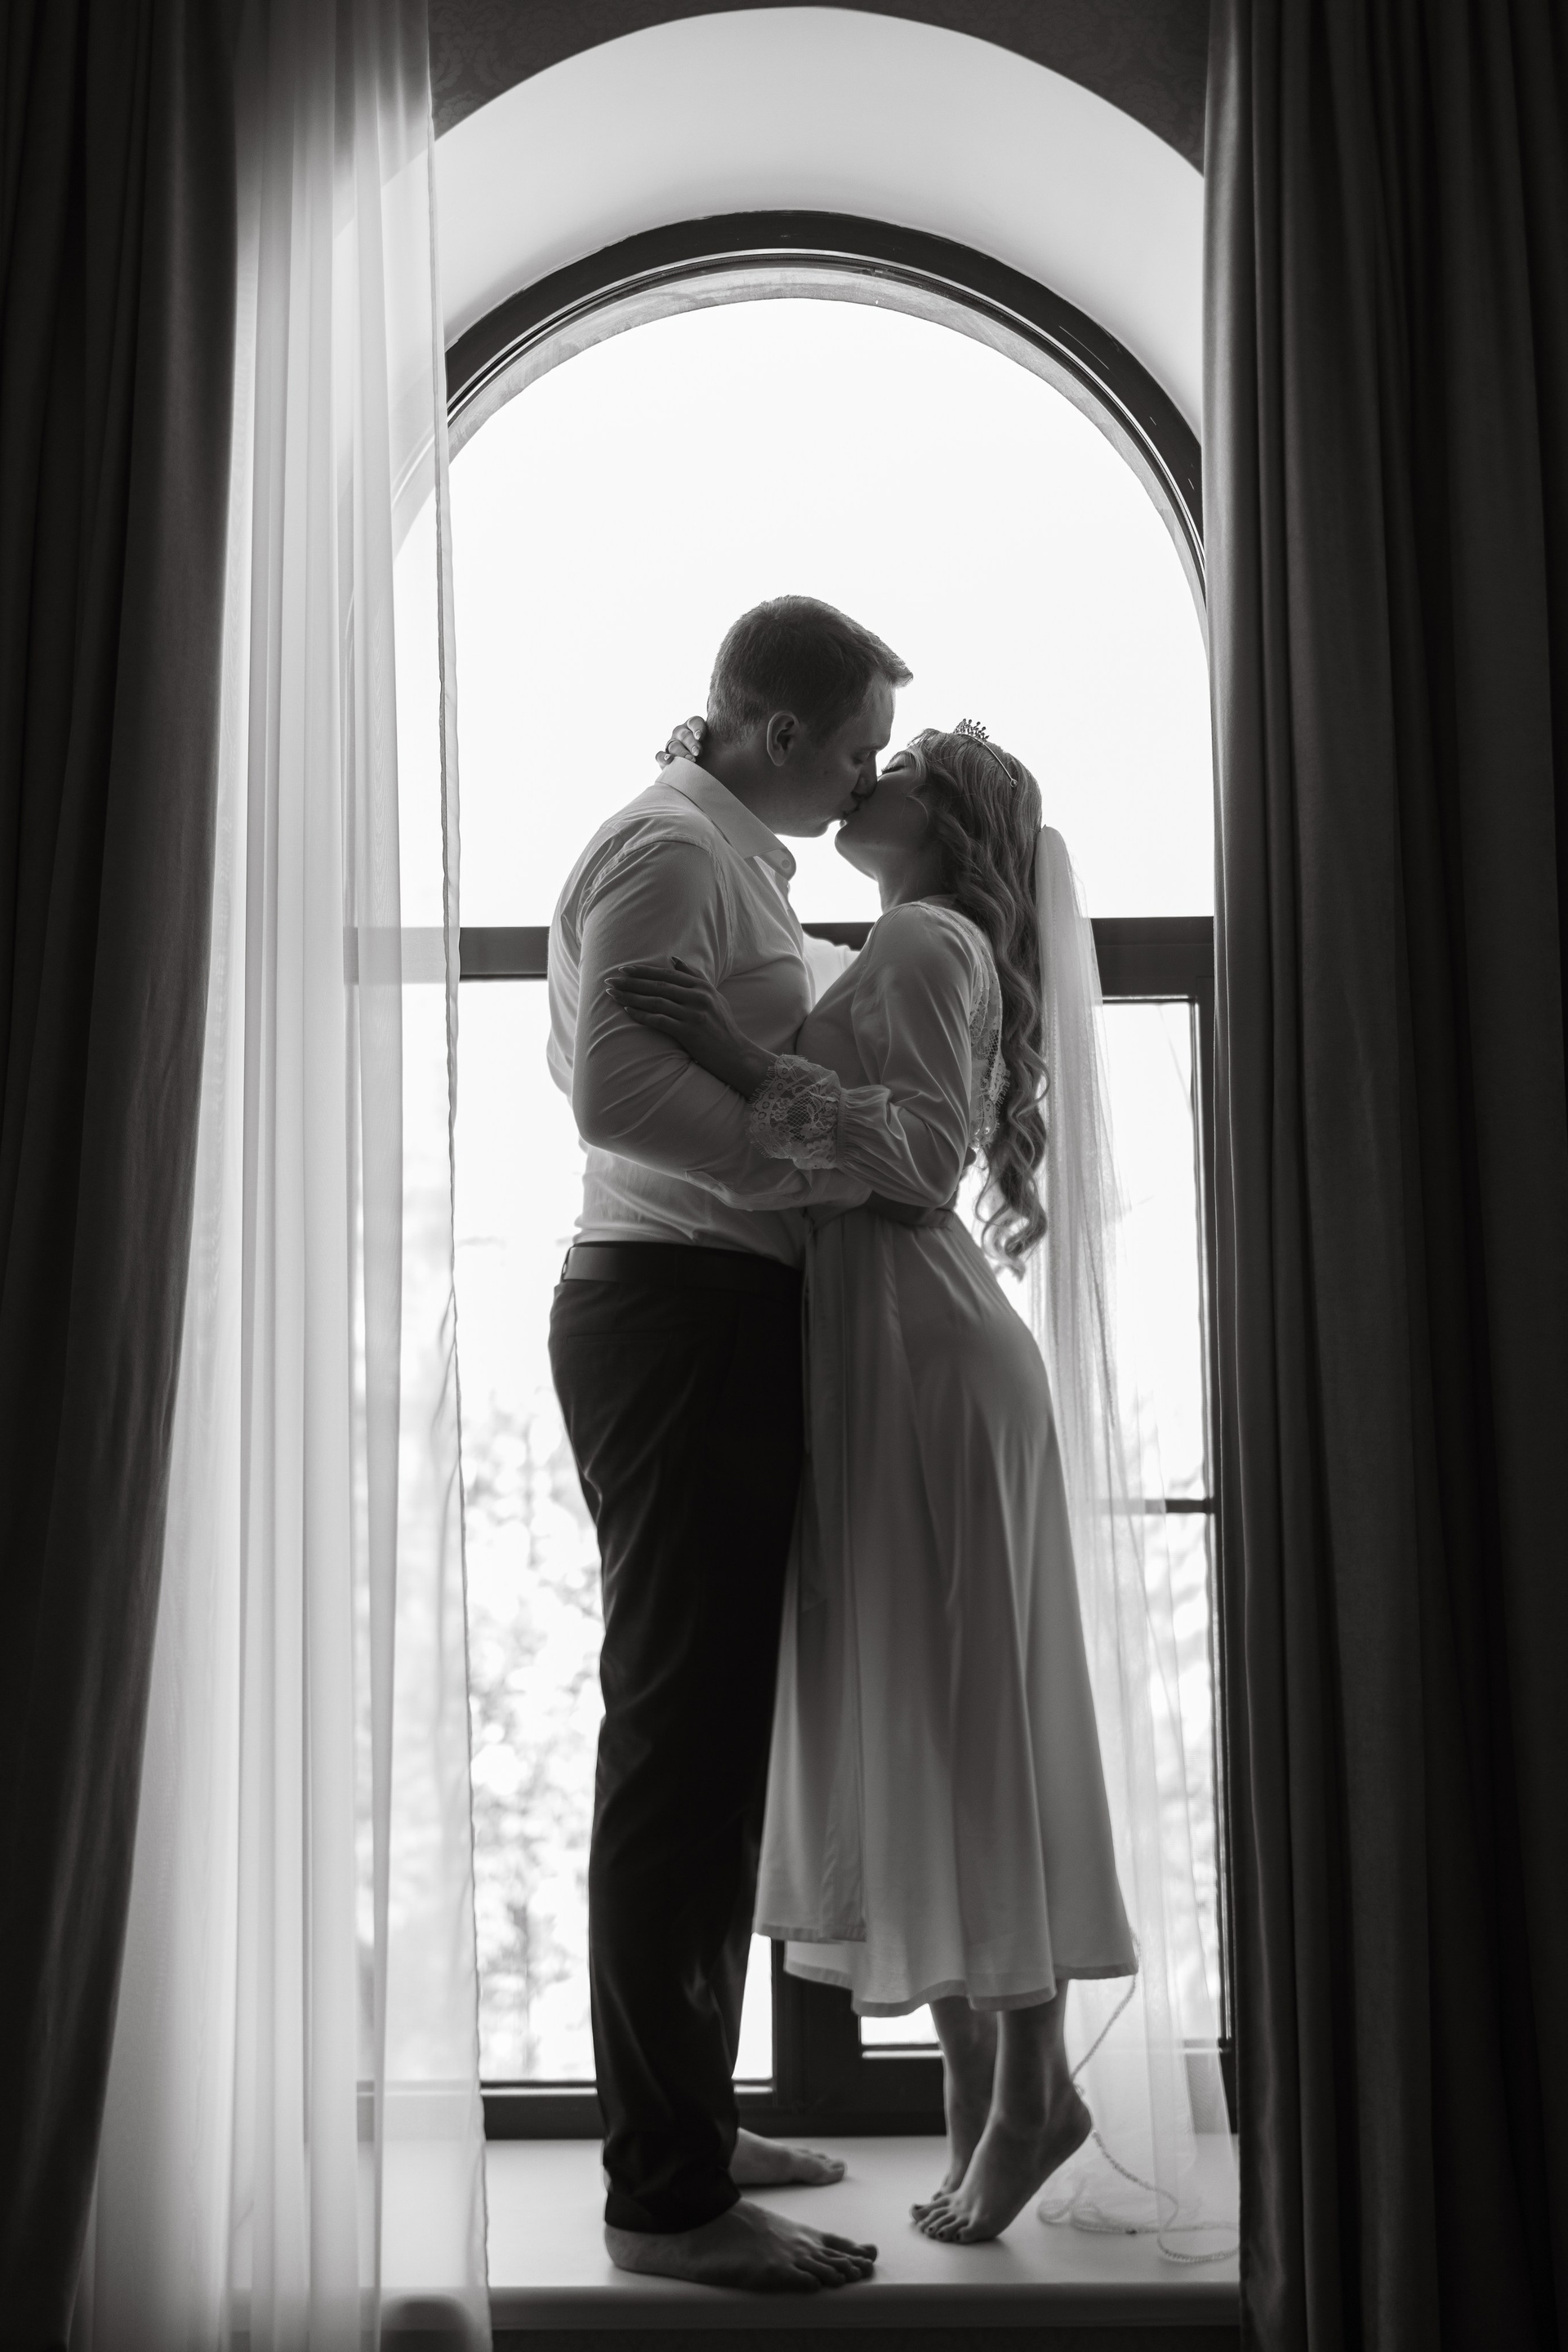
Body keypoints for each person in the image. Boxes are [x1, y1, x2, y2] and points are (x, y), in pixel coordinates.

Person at [608, 719, 1139, 2244]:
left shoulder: (921, 937)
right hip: (898, 1352)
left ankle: (1031, 2095)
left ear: (946, 815)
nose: (866, 779)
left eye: (896, 768)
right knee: (935, 1713)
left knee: (964, 1722)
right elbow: (854, 1070)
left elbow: (912, 1168)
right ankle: (984, 2091)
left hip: (921, 1353)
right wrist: (699, 770)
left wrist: (721, 1054)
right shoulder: (909, 942)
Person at [546, 596, 911, 2293]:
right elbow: (614, 1090)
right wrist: (812, 1168)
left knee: (707, 1753)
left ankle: (687, 2117)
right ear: (776, 733)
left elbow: (675, 1057)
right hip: (675, 1312)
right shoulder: (674, 850)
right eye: (856, 751)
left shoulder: (728, 857)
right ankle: (666, 2204)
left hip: (703, 1309)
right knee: (676, 1757)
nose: (867, 780)